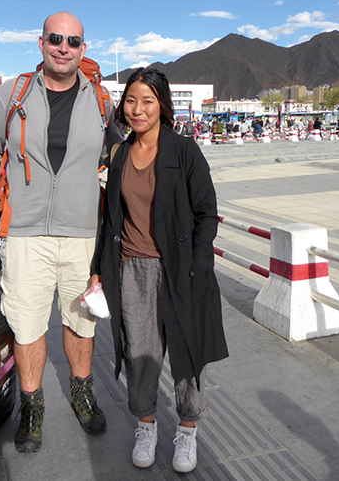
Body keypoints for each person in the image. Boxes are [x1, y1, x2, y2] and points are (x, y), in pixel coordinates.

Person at [0, 11, 122, 454]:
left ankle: (81, 392)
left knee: (82, 322)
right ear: (40, 43)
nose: (64, 47)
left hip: (82, 232)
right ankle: (32, 405)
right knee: (27, 324)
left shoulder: (99, 99)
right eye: (55, 39)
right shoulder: (14, 93)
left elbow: (118, 150)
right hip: (24, 232)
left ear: (83, 48)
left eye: (73, 42)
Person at [90, 67, 228, 473]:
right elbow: (111, 219)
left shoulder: (184, 151)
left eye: (147, 101)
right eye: (131, 100)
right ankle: (145, 424)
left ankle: (187, 431)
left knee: (187, 351)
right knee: (139, 352)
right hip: (131, 267)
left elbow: (207, 213)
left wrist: (199, 268)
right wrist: (100, 267)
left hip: (180, 269)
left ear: (162, 106)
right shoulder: (118, 154)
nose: (138, 109)